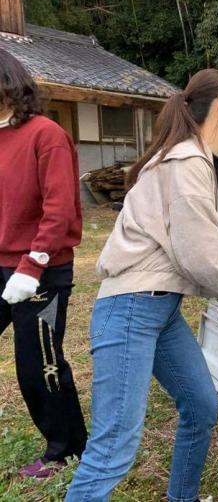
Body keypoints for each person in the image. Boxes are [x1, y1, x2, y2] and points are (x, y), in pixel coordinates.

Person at [66, 68, 218, 502]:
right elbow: (203, 257)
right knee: (112, 449)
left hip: (160, 310)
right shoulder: (182, 165)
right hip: (130, 309)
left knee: (200, 406)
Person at [0, 49, 88, 479]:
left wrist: (31, 265)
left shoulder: (46, 134)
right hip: (0, 262)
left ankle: (66, 450)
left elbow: (60, 210)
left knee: (38, 364)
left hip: (41, 268)